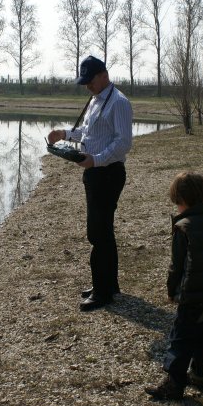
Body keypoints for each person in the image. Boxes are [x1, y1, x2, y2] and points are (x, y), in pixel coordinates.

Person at [47, 55, 133, 312]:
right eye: (84, 82)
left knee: (98, 233)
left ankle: (102, 292)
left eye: (90, 81)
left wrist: (96, 160)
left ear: (103, 75)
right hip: (94, 172)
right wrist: (64, 134)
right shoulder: (96, 100)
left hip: (108, 173)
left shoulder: (118, 102)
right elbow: (88, 133)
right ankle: (109, 284)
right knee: (103, 230)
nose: (87, 86)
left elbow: (123, 143)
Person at [145, 172, 203, 400]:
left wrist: (172, 291)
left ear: (182, 202)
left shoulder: (184, 227)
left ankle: (174, 383)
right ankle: (201, 374)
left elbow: (176, 266)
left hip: (193, 295)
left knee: (181, 338)